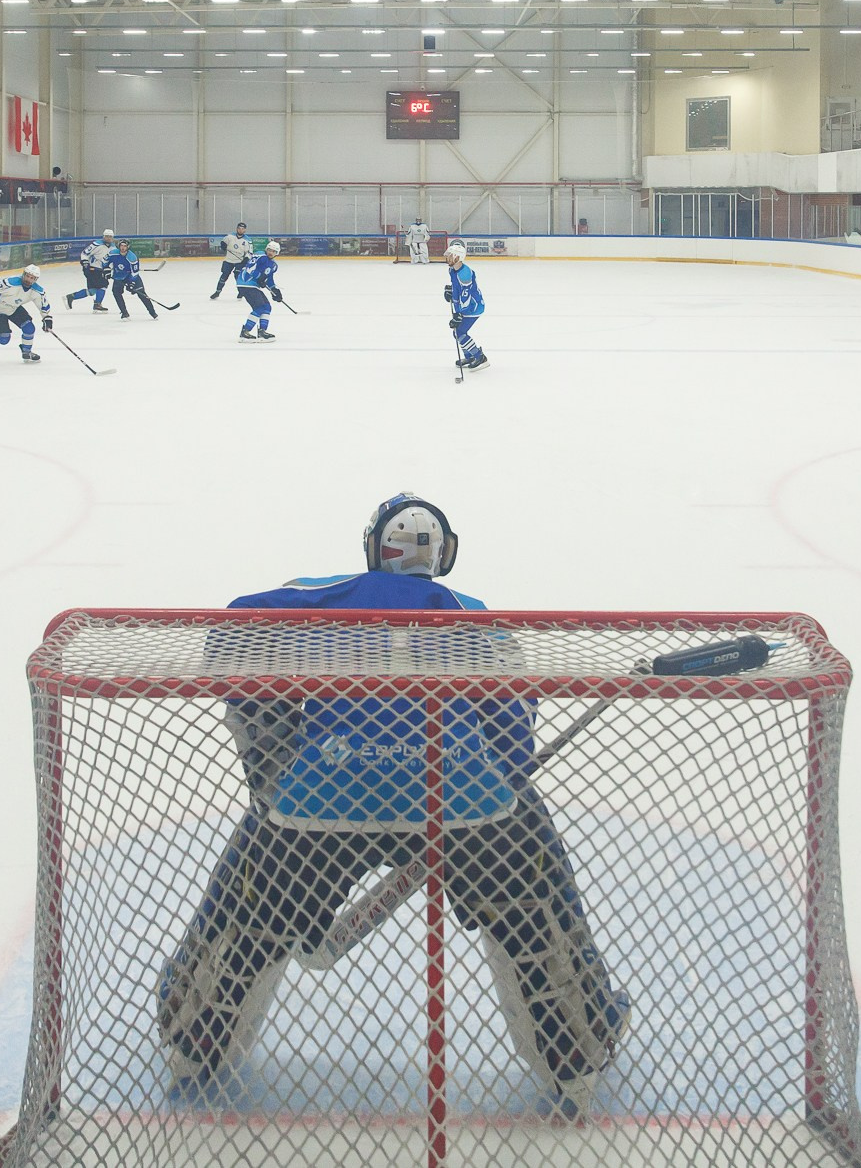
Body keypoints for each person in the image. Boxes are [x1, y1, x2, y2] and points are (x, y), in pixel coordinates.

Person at [156, 493, 629, 1112]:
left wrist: (273, 770)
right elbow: (513, 722)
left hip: (324, 797)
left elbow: (232, 640)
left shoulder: (327, 593)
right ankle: (577, 1047)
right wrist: (505, 778)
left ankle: (196, 1036)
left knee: (252, 887)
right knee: (532, 874)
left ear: (372, 549)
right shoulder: (468, 611)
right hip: (463, 803)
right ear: (442, 557)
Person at [0, 263, 52, 362]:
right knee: (4, 340)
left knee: (29, 328)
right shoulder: (10, 283)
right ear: (24, 274)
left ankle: (27, 352)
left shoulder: (37, 291)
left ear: (35, 279)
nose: (29, 279)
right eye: (27, 276)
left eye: (32, 278)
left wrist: (46, 318)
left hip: (13, 308)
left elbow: (43, 305)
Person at [444, 241, 489, 373]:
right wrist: (451, 292)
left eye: (451, 255)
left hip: (473, 308)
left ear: (458, 257)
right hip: (465, 307)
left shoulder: (465, 274)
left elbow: (466, 296)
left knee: (459, 332)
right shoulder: (453, 270)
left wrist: (459, 313)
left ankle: (480, 357)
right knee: (457, 333)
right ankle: (469, 357)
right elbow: (457, 287)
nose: (448, 258)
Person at [235, 240, 282, 342]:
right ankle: (245, 332)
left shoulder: (273, 265)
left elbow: (269, 279)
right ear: (266, 249)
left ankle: (262, 331)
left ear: (277, 253)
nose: (271, 252)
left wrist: (274, 290)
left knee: (266, 307)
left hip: (253, 286)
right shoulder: (261, 256)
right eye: (269, 250)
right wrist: (259, 277)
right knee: (260, 307)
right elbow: (251, 269)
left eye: (274, 251)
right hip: (246, 284)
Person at [107, 239, 158, 319]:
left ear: (128, 247)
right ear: (119, 246)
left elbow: (134, 273)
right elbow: (104, 262)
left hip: (131, 276)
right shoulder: (112, 253)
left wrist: (131, 283)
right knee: (116, 293)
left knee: (142, 294)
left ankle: (153, 312)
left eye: (125, 246)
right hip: (118, 276)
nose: (123, 248)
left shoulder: (132, 257)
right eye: (121, 246)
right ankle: (124, 313)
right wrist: (106, 270)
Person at [66, 229, 114, 311]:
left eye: (110, 237)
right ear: (103, 236)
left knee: (92, 291)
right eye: (107, 236)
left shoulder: (113, 247)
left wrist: (111, 269)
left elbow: (112, 259)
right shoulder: (96, 244)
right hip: (93, 269)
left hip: (100, 270)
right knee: (103, 285)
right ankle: (97, 304)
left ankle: (72, 296)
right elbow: (85, 253)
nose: (108, 238)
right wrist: (85, 263)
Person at [212, 223, 254, 299]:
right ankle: (217, 292)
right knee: (224, 276)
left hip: (239, 262)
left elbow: (249, 252)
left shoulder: (248, 240)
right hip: (228, 260)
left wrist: (246, 259)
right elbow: (223, 242)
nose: (240, 230)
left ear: (245, 230)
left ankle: (241, 292)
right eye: (239, 228)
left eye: (242, 229)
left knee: (238, 277)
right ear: (237, 228)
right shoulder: (230, 236)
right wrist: (223, 245)